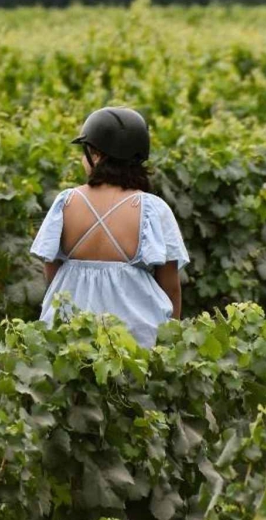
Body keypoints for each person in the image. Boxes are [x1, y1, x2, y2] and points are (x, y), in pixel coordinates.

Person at [30, 107, 189, 347]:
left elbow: (51, 272)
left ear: (96, 155)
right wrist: (171, 343)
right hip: (134, 341)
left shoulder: (66, 202)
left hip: (69, 338)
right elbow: (171, 287)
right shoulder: (152, 209)